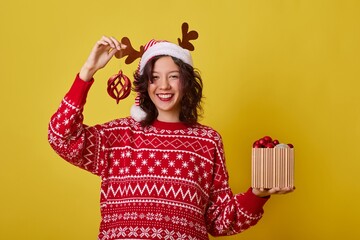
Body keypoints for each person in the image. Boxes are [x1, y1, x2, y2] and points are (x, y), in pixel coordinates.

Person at [48, 36, 294, 240]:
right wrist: (87, 72)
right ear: (145, 84)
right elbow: (61, 137)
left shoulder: (207, 142)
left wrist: (258, 194)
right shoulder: (119, 136)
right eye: (154, 77)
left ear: (186, 82)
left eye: (173, 76)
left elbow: (219, 221)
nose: (163, 85)